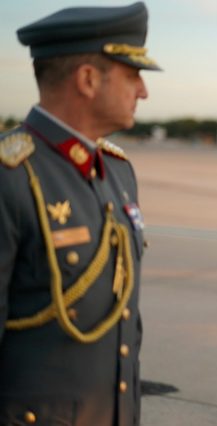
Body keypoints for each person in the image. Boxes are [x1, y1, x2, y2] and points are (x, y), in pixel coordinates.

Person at [0, 3, 159, 425]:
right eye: (132, 75)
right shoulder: (11, 176)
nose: (142, 91)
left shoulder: (118, 171)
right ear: (87, 79)